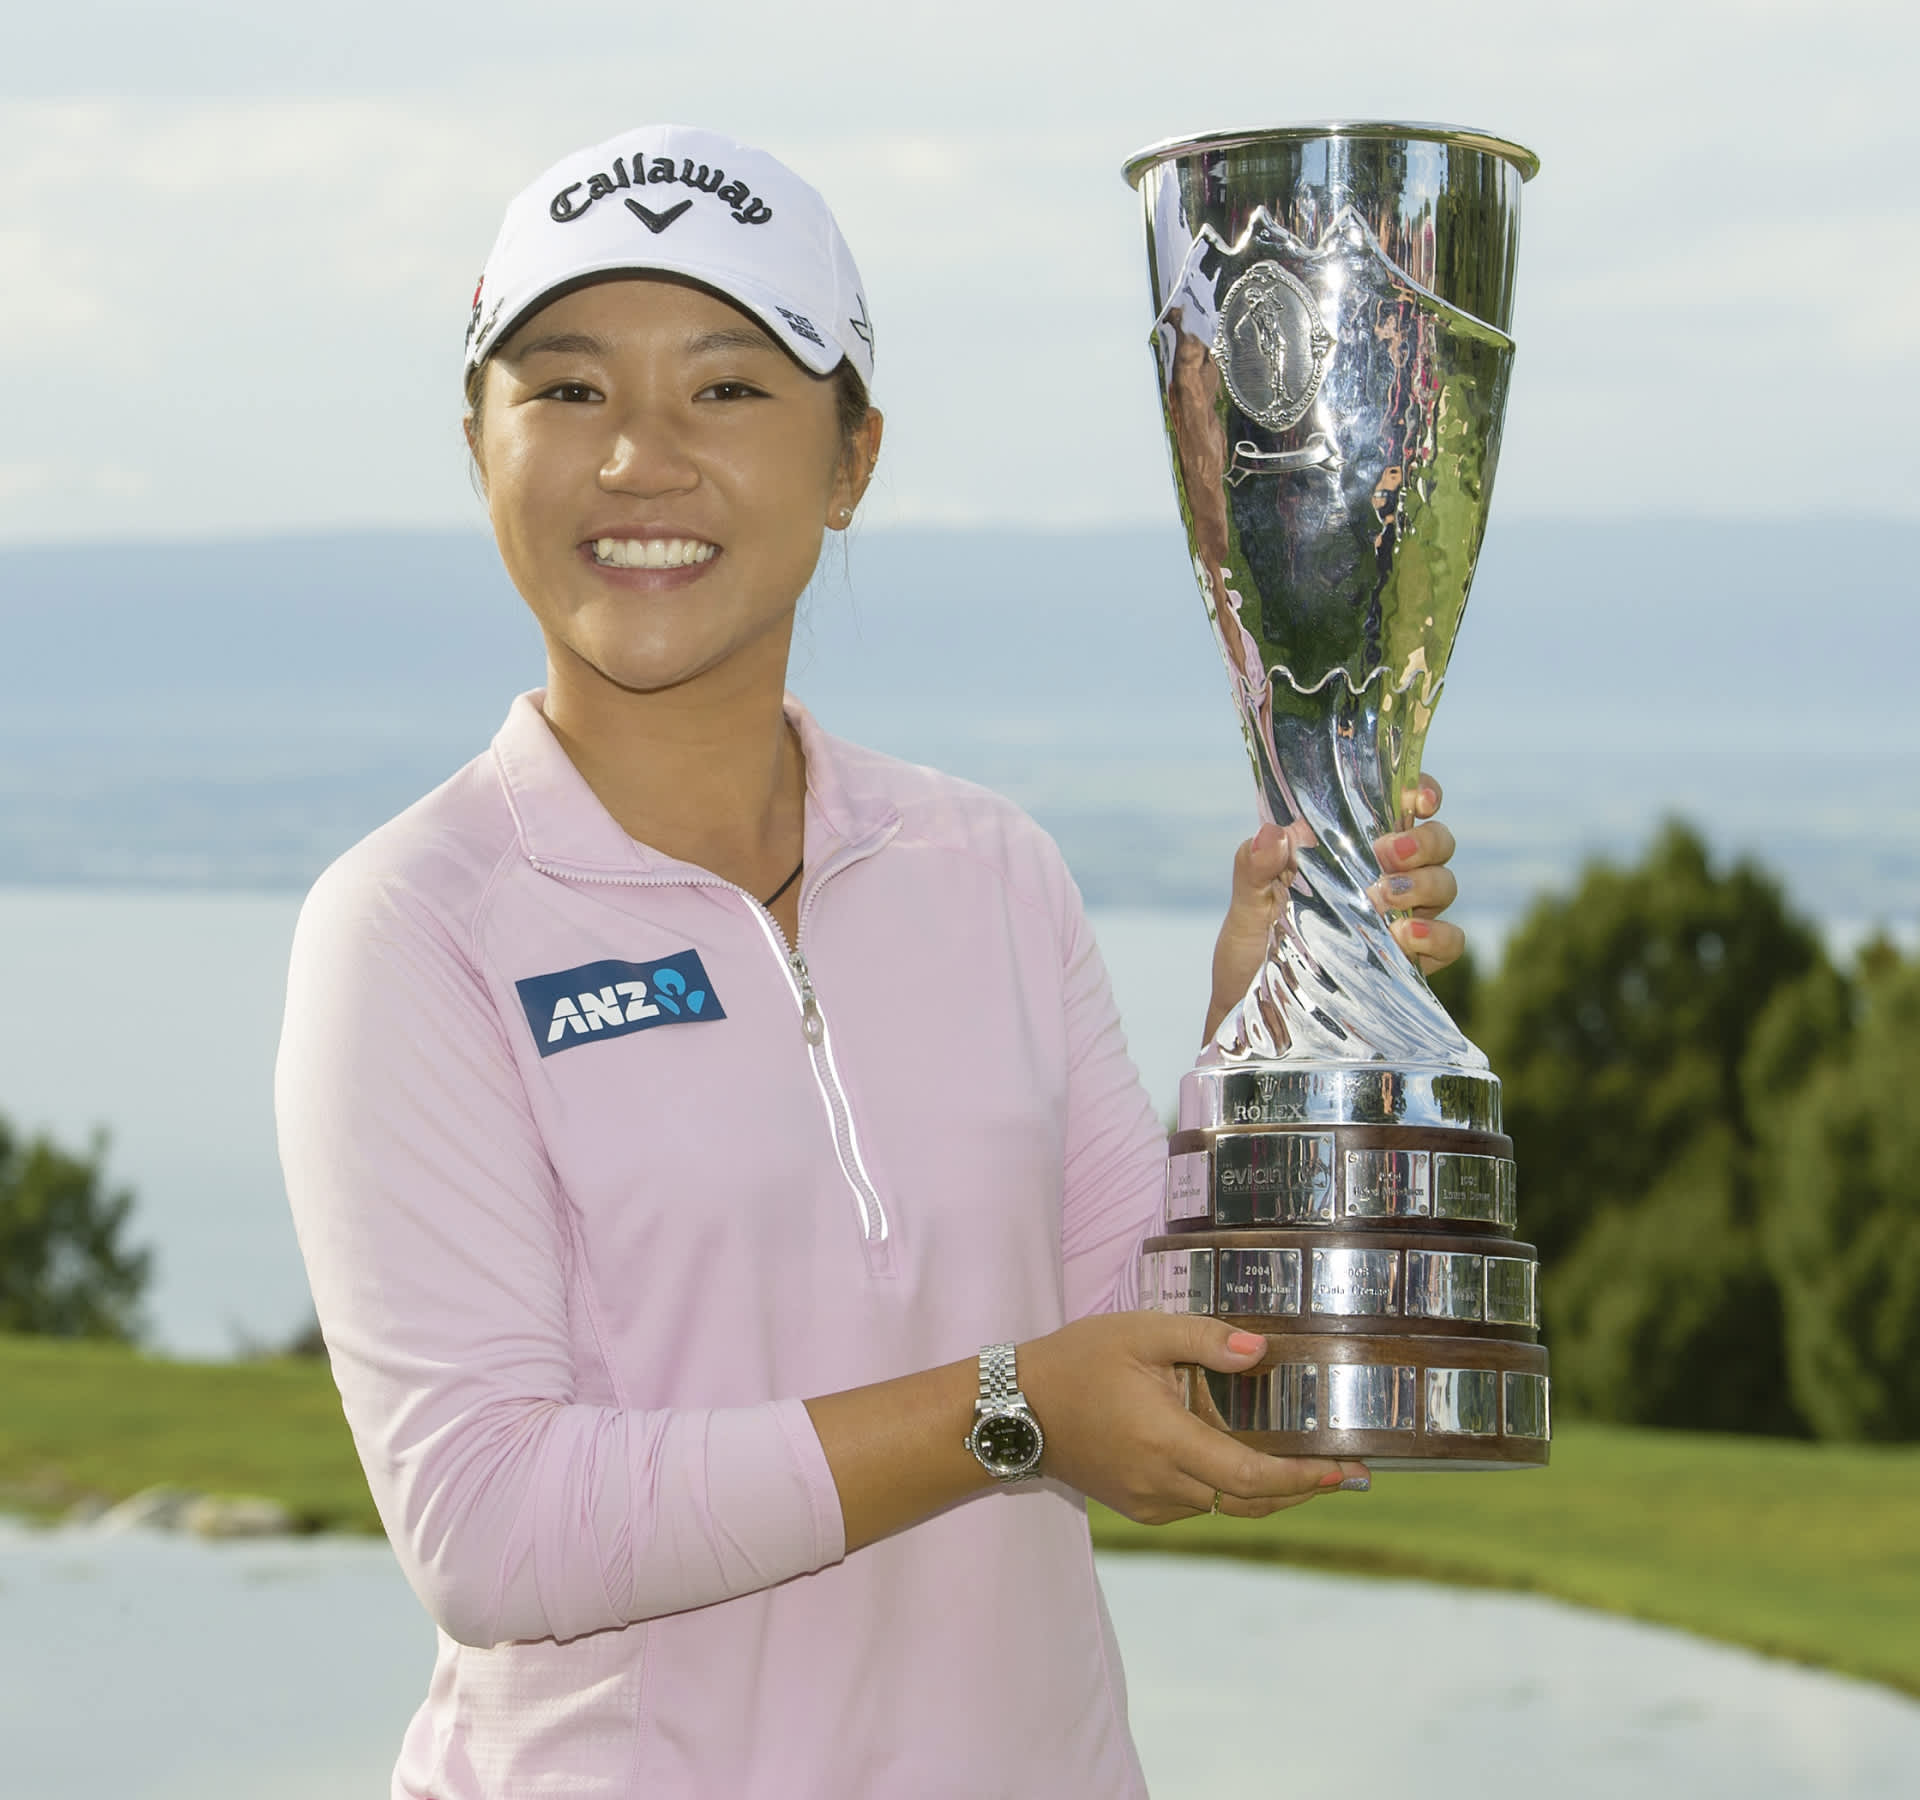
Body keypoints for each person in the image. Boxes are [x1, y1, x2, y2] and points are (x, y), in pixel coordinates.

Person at [275, 124, 1466, 1800]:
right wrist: (1005, 1411)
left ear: (854, 459)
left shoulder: (987, 869)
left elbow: (1144, 1353)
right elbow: (492, 1526)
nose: (640, 459)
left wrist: (1268, 1035)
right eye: (568, 389)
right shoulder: (413, 924)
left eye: (727, 389)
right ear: (481, 446)